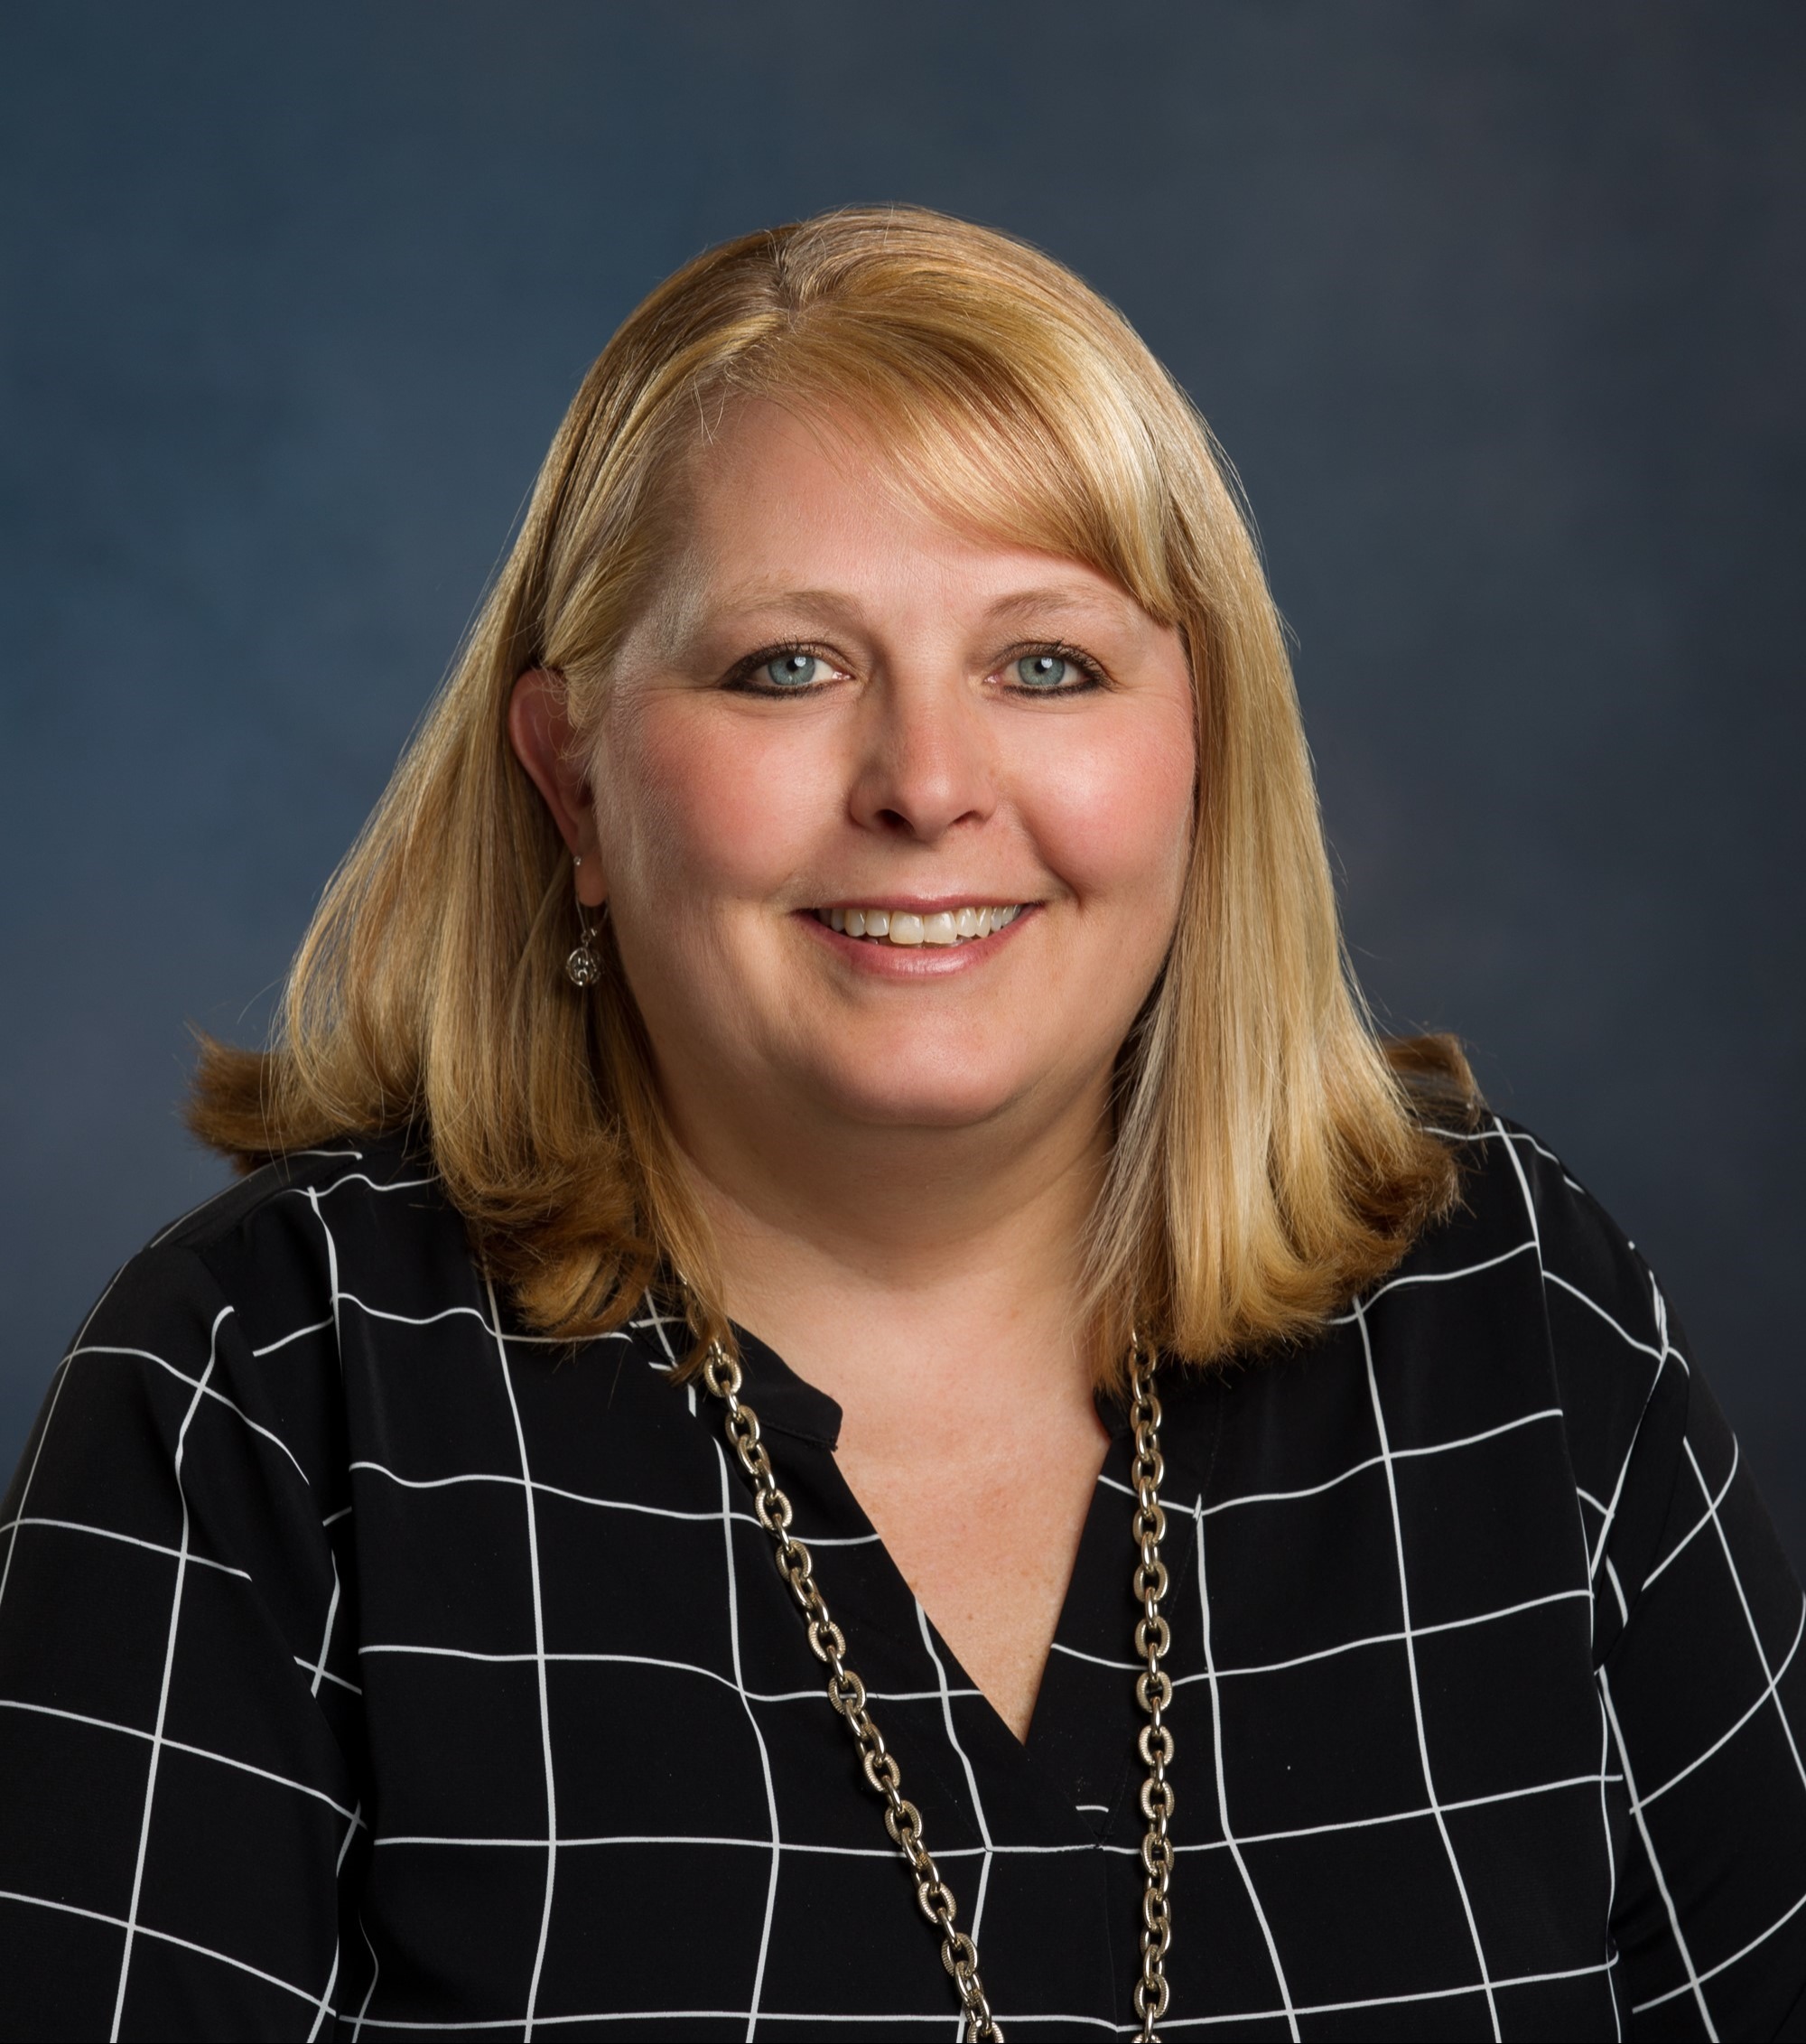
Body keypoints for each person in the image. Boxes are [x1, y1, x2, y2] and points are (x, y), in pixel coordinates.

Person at [2, 206, 1801, 2044]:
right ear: (575, 779)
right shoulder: (262, 1402)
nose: (927, 788)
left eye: (1046, 664)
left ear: (1203, 743)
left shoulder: (1520, 1324)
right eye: (788, 665)